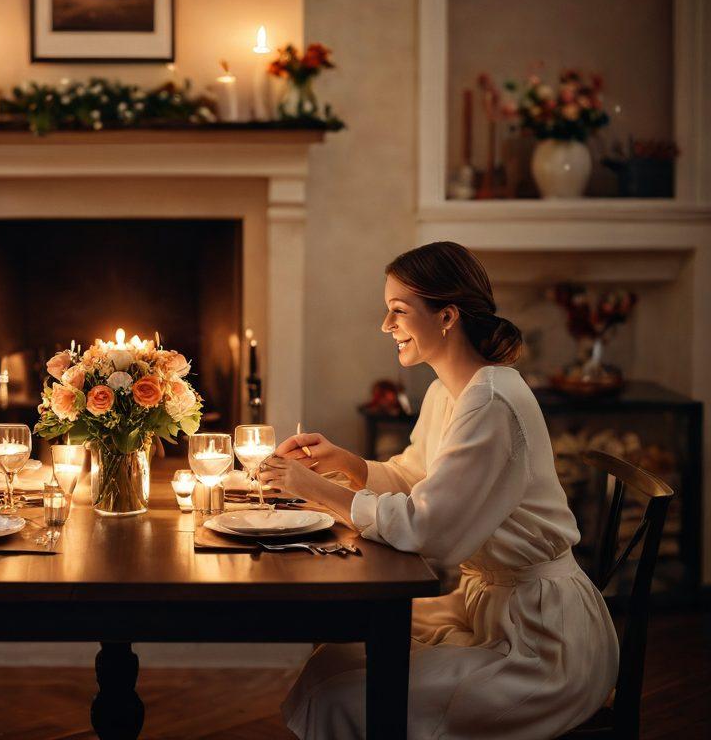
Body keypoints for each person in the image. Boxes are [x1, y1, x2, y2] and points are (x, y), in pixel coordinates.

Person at [260, 241, 618, 739]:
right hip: (485, 608)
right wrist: (346, 464)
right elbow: (418, 479)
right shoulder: (448, 391)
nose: (387, 326)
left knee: (341, 695)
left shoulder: (492, 402)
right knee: (329, 661)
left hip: (541, 641)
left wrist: (318, 490)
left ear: (447, 316)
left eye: (398, 312)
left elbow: (433, 531)